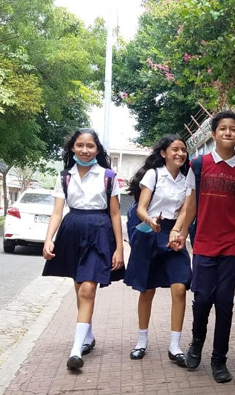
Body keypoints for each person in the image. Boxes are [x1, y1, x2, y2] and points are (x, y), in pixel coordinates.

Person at [170, 110, 235, 384]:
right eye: (223, 128)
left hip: (232, 246)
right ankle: (197, 343)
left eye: (233, 129)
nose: (228, 133)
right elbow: (190, 206)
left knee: (225, 303)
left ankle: (219, 359)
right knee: (202, 300)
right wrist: (178, 231)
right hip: (204, 244)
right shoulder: (198, 165)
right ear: (213, 134)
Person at [42, 128, 124, 370]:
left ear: (97, 149)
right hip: (72, 230)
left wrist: (120, 248)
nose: (85, 150)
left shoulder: (108, 176)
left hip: (99, 231)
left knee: (88, 289)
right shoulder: (64, 177)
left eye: (90, 146)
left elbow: (116, 213)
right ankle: (87, 336)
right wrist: (49, 239)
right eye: (80, 145)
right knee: (80, 288)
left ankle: (76, 351)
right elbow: (57, 211)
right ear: (72, 148)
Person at [123, 135, 192, 365]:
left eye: (183, 149)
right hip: (151, 230)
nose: (180, 153)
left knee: (180, 287)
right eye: (175, 149)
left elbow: (184, 210)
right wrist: (150, 221)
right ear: (163, 153)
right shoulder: (153, 174)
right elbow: (141, 208)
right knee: (147, 290)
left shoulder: (187, 179)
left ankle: (175, 345)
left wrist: (179, 231)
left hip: (174, 233)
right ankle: (141, 340)